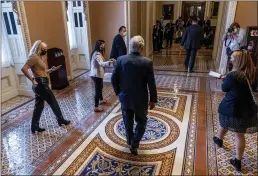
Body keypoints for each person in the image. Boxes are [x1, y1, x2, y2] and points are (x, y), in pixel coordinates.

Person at [111, 36, 157, 155]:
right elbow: (151, 83)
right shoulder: (147, 62)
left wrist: (118, 92)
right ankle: (134, 144)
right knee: (141, 122)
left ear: (130, 46)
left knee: (127, 121)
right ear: (141, 47)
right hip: (140, 100)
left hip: (125, 98)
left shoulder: (121, 59)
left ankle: (129, 141)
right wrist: (153, 100)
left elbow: (113, 78)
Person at [213, 50, 258, 171]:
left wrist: (225, 78)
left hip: (230, 107)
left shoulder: (233, 75)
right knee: (239, 135)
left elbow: (224, 88)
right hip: (247, 110)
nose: (231, 59)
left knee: (224, 123)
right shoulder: (254, 73)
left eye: (232, 58)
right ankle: (237, 160)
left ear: (238, 60)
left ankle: (219, 140)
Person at [21, 40, 70, 134]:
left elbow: (41, 71)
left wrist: (51, 70)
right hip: (40, 84)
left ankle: (34, 126)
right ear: (39, 48)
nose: (45, 50)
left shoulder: (39, 57)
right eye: (44, 49)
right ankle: (60, 120)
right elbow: (24, 68)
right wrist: (33, 80)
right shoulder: (34, 57)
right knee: (53, 101)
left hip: (42, 82)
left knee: (39, 106)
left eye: (46, 49)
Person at [90, 40, 114, 112]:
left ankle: (101, 100)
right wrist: (109, 62)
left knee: (100, 87)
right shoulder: (97, 54)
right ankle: (96, 106)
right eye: (102, 45)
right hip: (96, 74)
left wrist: (108, 61)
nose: (103, 46)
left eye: (103, 45)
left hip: (97, 74)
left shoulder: (98, 53)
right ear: (98, 45)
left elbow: (102, 62)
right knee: (98, 90)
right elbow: (101, 63)